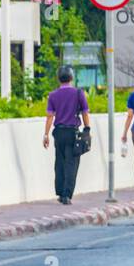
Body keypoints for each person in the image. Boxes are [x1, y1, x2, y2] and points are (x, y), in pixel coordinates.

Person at [43, 67, 92, 205]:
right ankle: (67, 195)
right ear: (71, 78)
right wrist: (87, 129)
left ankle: (59, 192)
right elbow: (85, 112)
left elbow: (49, 117)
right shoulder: (78, 93)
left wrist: (46, 134)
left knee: (59, 162)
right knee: (72, 163)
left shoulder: (53, 95)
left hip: (58, 132)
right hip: (73, 133)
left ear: (58, 78)